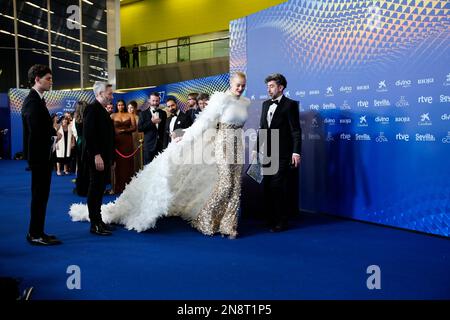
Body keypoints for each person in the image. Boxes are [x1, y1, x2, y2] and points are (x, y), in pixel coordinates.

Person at [69, 72, 250, 239]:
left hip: (237, 145)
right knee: (226, 185)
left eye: (243, 85)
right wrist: (185, 134)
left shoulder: (245, 102)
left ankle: (228, 224)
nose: (240, 88)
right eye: (238, 84)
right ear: (231, 83)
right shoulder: (221, 100)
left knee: (235, 187)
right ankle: (207, 218)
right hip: (223, 146)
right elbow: (203, 122)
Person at [21, 64, 62, 246]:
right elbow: (35, 131)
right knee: (39, 196)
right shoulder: (32, 101)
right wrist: (53, 134)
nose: (51, 82)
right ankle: (35, 234)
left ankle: (37, 231)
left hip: (42, 156)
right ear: (37, 79)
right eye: (48, 78)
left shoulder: (37, 100)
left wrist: (52, 133)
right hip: (39, 158)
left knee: (41, 197)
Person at [256, 73, 301, 232]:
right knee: (267, 186)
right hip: (267, 151)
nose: (269, 89)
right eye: (267, 86)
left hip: (283, 152)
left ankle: (282, 221)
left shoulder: (290, 105)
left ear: (281, 87)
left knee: (277, 186)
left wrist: (296, 152)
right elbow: (262, 128)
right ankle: (270, 218)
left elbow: (296, 130)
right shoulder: (265, 104)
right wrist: (258, 150)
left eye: (272, 86)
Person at [82, 81, 115, 236]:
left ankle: (99, 220)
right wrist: (96, 155)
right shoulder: (92, 109)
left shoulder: (101, 110)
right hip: (96, 157)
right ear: (100, 94)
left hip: (103, 157)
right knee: (95, 189)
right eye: (110, 94)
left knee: (100, 188)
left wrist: (110, 158)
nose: (112, 97)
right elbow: (89, 135)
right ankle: (94, 223)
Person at [111, 99, 136, 193]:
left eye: (122, 105)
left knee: (128, 162)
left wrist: (124, 131)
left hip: (127, 140)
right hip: (117, 141)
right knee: (118, 164)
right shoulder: (112, 116)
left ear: (124, 106)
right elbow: (109, 129)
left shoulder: (130, 115)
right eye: (118, 105)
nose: (120, 107)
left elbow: (134, 127)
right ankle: (118, 187)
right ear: (116, 106)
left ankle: (129, 186)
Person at [138, 92, 167, 165]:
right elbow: (140, 128)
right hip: (149, 146)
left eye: (157, 101)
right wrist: (151, 122)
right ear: (149, 101)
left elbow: (165, 129)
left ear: (159, 101)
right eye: (153, 100)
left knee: (160, 168)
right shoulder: (143, 114)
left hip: (161, 145)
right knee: (148, 169)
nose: (155, 103)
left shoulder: (163, 113)